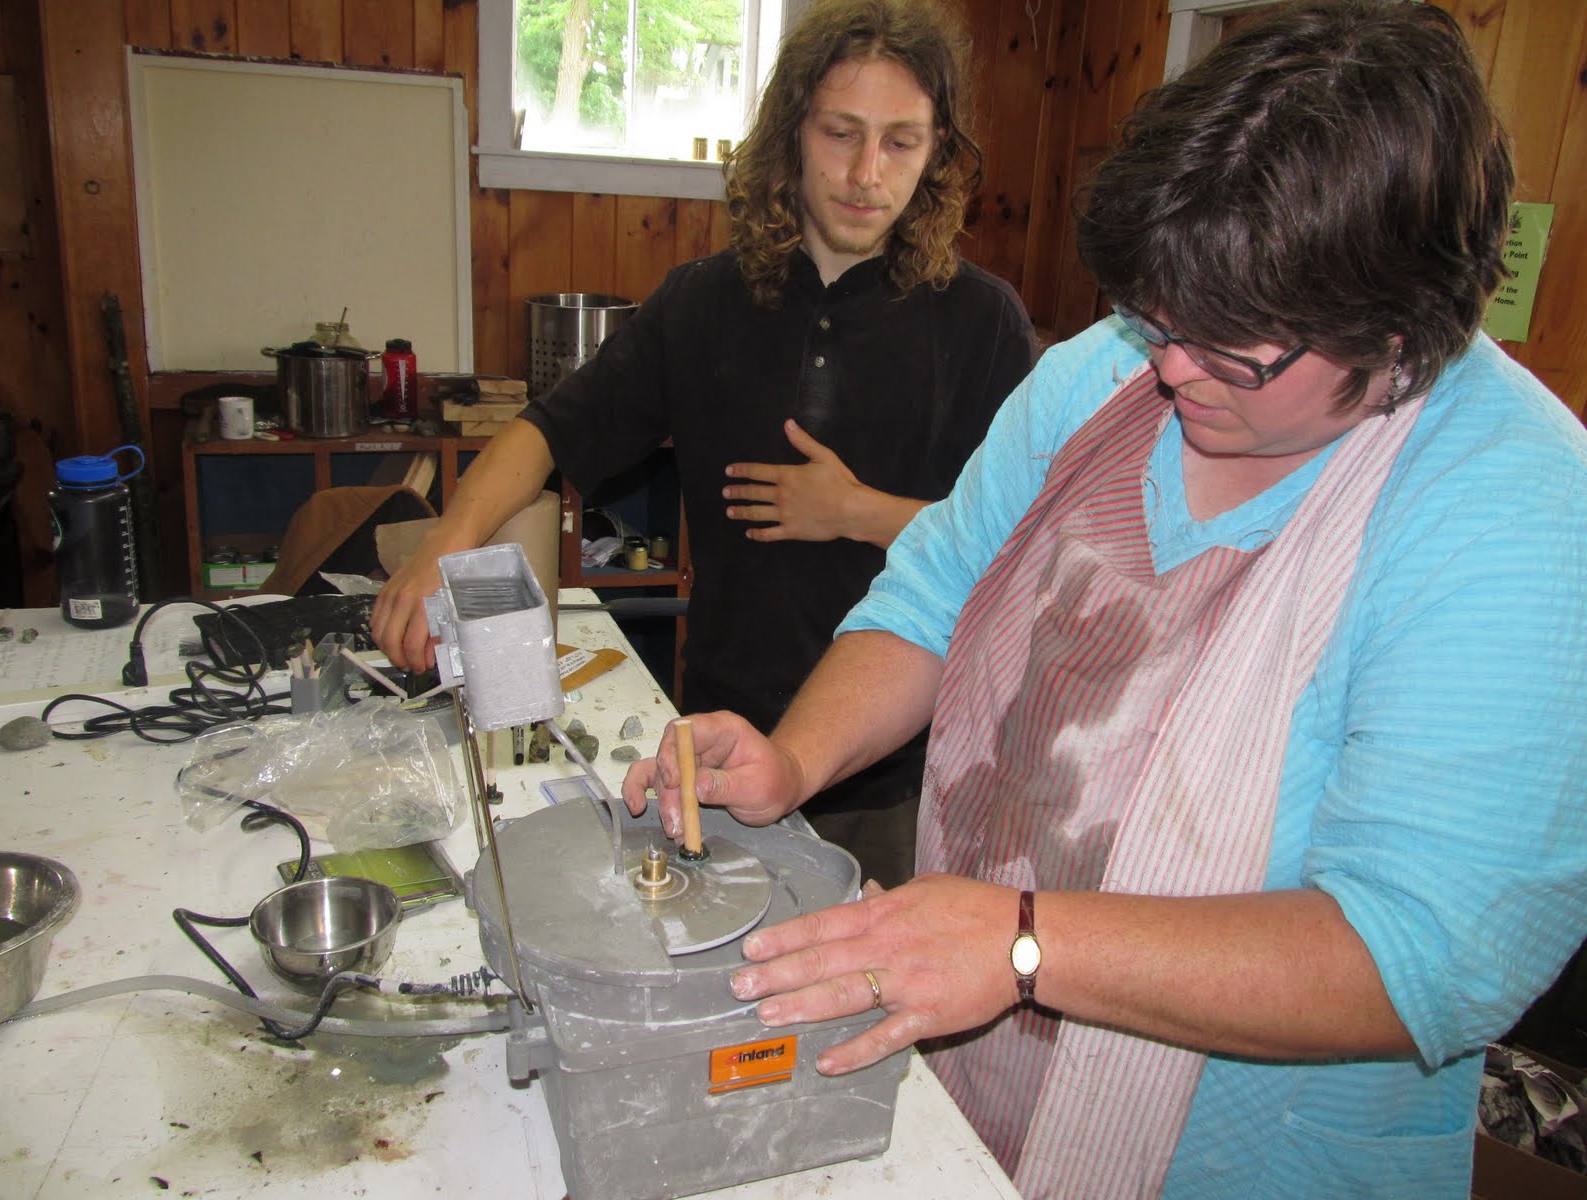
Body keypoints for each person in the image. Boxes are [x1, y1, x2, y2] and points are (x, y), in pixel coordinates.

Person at [623, 2, 1587, 1196]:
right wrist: (794, 758)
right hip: (980, 1087)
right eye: (1157, 317)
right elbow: (933, 594)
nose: (1170, 367)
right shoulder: (1101, 375)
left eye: (1230, 349)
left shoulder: (1514, 514)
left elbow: (1420, 954)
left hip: (1245, 1161)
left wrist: (1026, 942)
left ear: (1397, 329)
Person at [370, 0, 1037, 887]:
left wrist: (859, 512)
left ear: (938, 150)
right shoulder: (703, 302)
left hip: (898, 774)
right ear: (792, 130)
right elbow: (546, 433)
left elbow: (1025, 545)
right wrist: (444, 548)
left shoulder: (984, 323)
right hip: (721, 743)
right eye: (841, 133)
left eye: (901, 142)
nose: (866, 173)